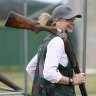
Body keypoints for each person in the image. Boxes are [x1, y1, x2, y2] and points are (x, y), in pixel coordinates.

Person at [26, 4, 86, 96]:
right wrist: (72, 80)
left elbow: (31, 68)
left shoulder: (49, 39)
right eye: (68, 19)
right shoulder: (58, 41)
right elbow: (49, 73)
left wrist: (45, 87)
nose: (73, 22)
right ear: (57, 21)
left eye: (73, 19)